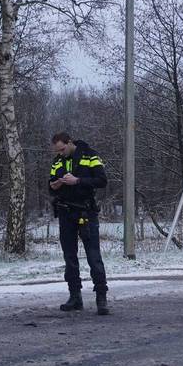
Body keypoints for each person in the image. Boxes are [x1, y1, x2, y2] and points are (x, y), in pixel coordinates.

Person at [49, 131, 110, 316]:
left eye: (62, 149)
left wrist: (78, 181)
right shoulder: (58, 161)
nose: (60, 153)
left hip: (86, 211)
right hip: (65, 212)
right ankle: (75, 296)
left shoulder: (90, 155)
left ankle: (101, 297)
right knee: (69, 257)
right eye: (57, 151)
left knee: (93, 256)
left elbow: (102, 181)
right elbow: (50, 185)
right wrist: (55, 185)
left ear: (69, 143)